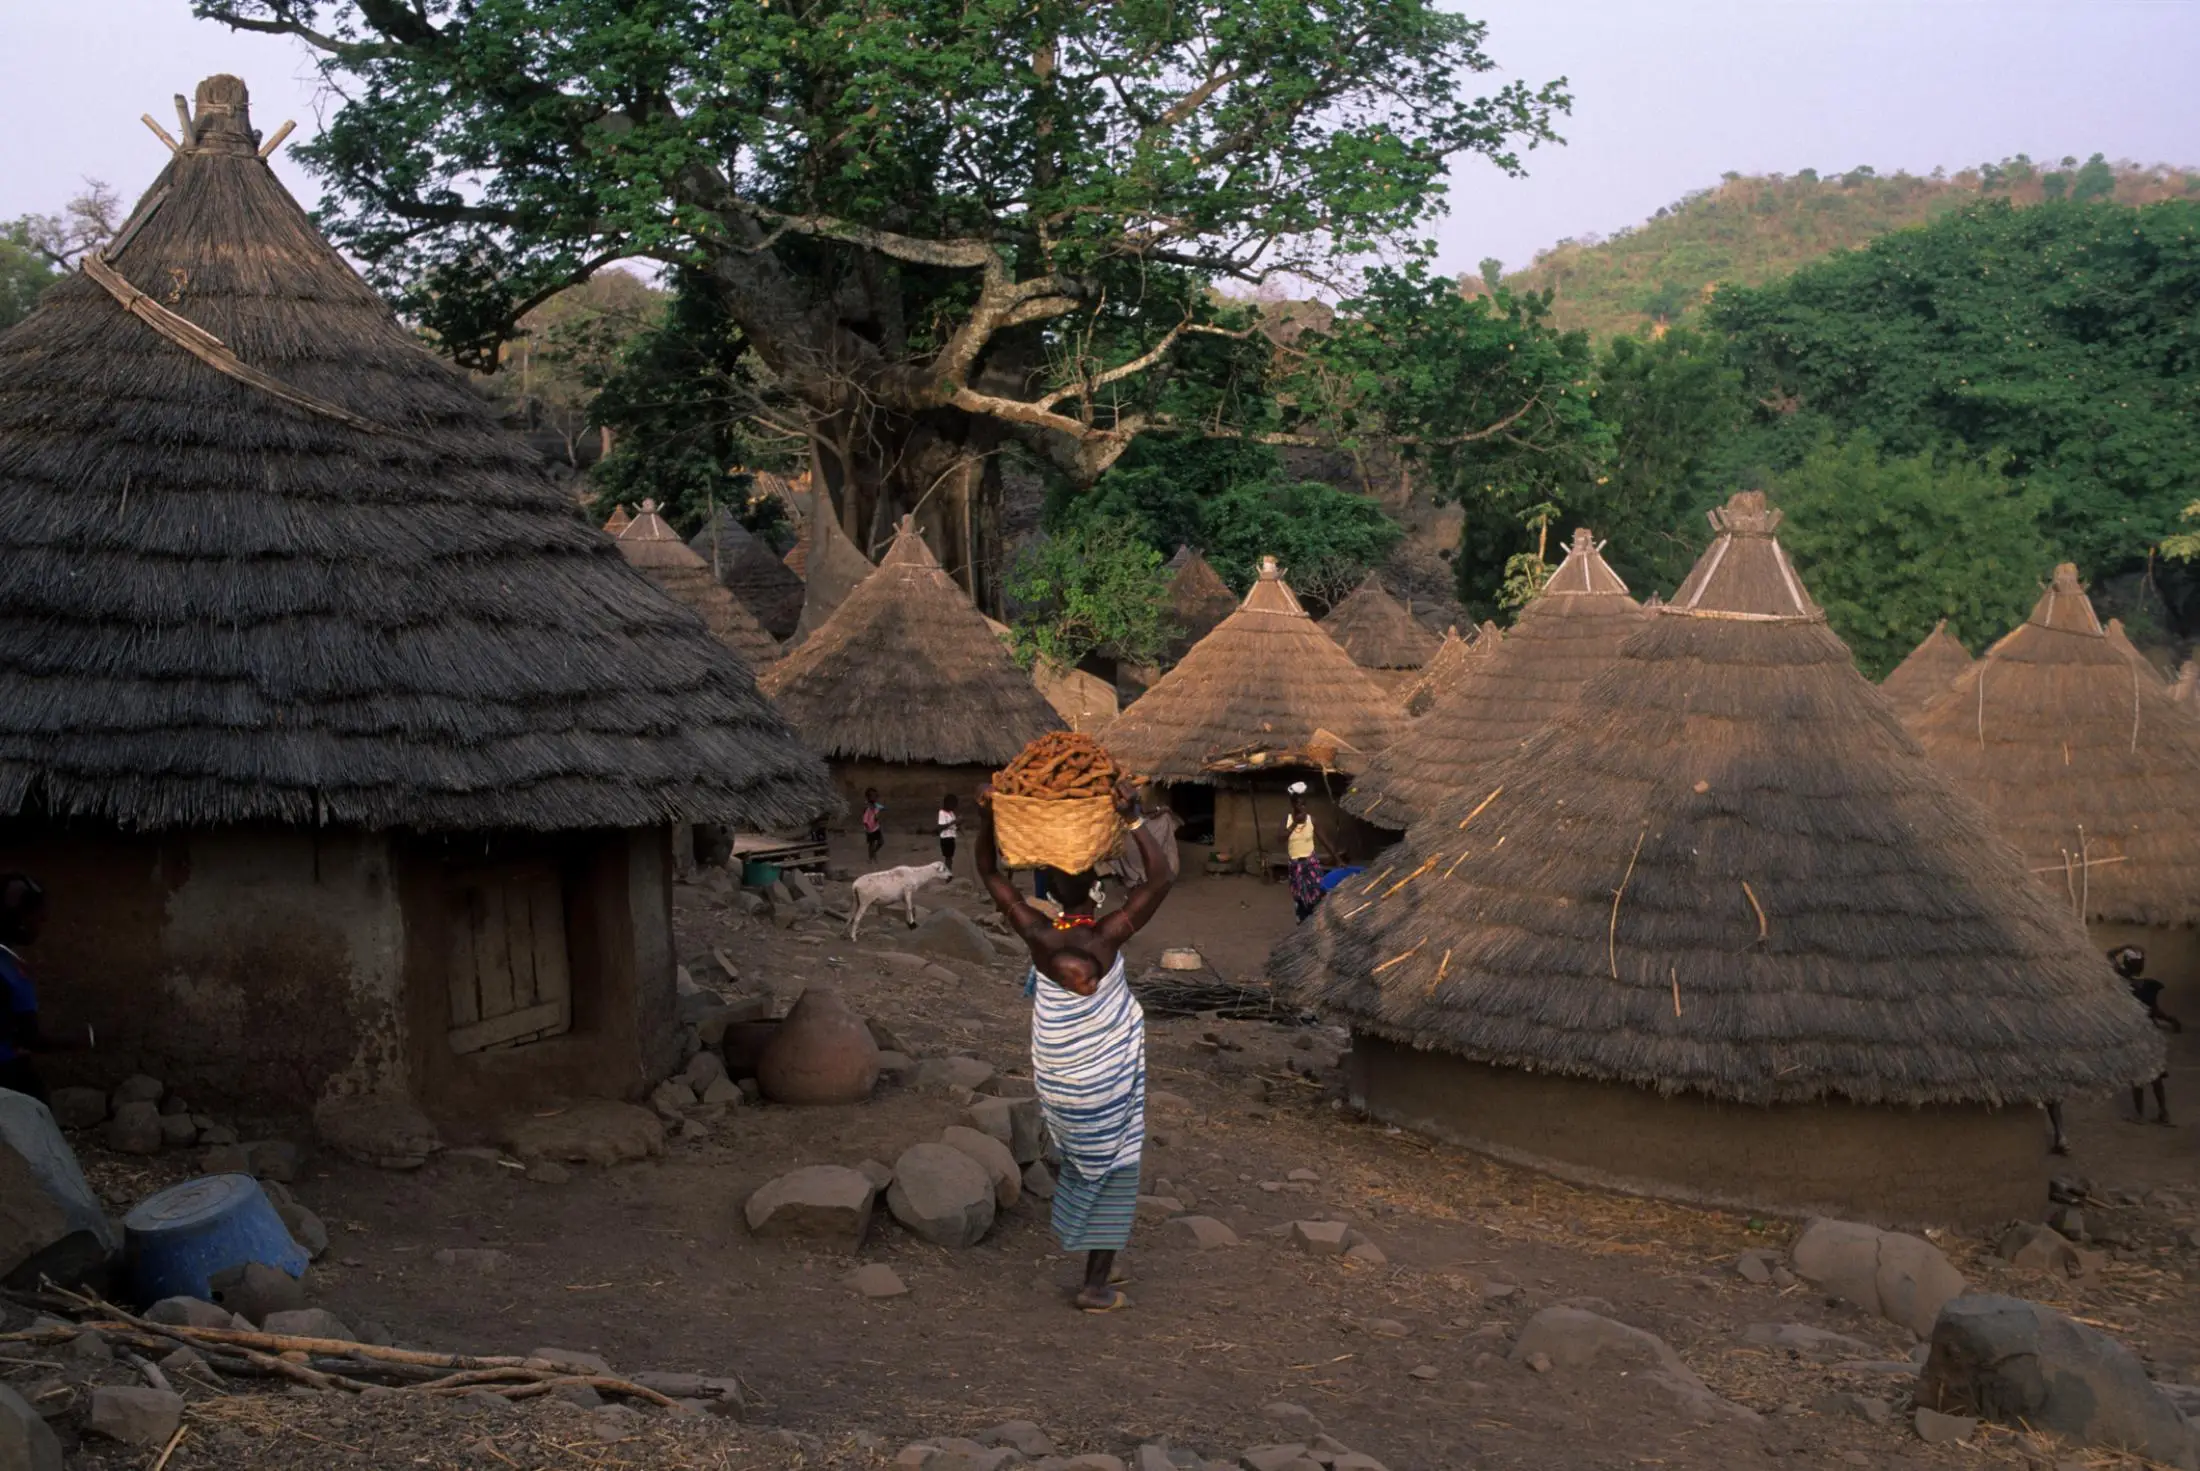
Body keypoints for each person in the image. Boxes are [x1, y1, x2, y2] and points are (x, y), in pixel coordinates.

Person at [973, 780, 1173, 1312]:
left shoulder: (1038, 935)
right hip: (1104, 1078)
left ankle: (1099, 1261)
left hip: (1062, 1080)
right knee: (1115, 1166)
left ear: (1051, 890)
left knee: (1088, 1163)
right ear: (1096, 887)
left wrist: (989, 820)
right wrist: (1132, 820)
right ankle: (1094, 1285)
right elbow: (1162, 878)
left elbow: (991, 874)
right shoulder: (1105, 937)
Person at [1, 874, 87, 1104]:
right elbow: (30, 1038)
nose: (44, 920)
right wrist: (81, 1040)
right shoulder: (11, 971)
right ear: (16, 918)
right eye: (36, 917)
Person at [2110, 945, 2179, 1125]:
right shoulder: (2149, 985)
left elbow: (2109, 955)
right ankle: (2164, 1113)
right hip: (2152, 1032)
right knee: (2155, 1074)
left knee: (2138, 1075)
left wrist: (2125, 946)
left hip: (2135, 1032)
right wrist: (2169, 1019)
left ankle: (2139, 1115)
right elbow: (2154, 1010)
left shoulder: (2124, 982)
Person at [1281, 781, 1339, 923]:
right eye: (1300, 805)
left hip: (1311, 863)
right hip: (1295, 865)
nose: (1303, 808)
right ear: (1293, 805)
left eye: (1304, 804)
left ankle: (1316, 922)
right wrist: (1294, 824)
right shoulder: (1287, 820)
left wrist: (1337, 858)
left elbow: (1325, 841)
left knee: (1317, 893)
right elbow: (1280, 839)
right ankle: (1302, 923)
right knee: (1299, 897)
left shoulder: (1311, 820)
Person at [936, 793, 961, 872]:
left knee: (950, 857)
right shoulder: (942, 813)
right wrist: (954, 822)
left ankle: (948, 871)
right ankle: (947, 873)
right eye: (953, 805)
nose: (955, 807)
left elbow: (953, 825)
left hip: (951, 837)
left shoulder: (951, 813)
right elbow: (941, 827)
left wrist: (958, 824)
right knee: (948, 857)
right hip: (945, 838)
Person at [861, 788, 886, 863]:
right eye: (873, 796)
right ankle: (871, 858)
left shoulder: (876, 806)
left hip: (876, 827)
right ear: (868, 797)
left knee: (880, 842)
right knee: (871, 844)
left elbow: (881, 810)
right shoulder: (867, 807)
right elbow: (865, 820)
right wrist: (867, 828)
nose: (875, 798)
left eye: (875, 796)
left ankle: (873, 854)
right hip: (870, 828)